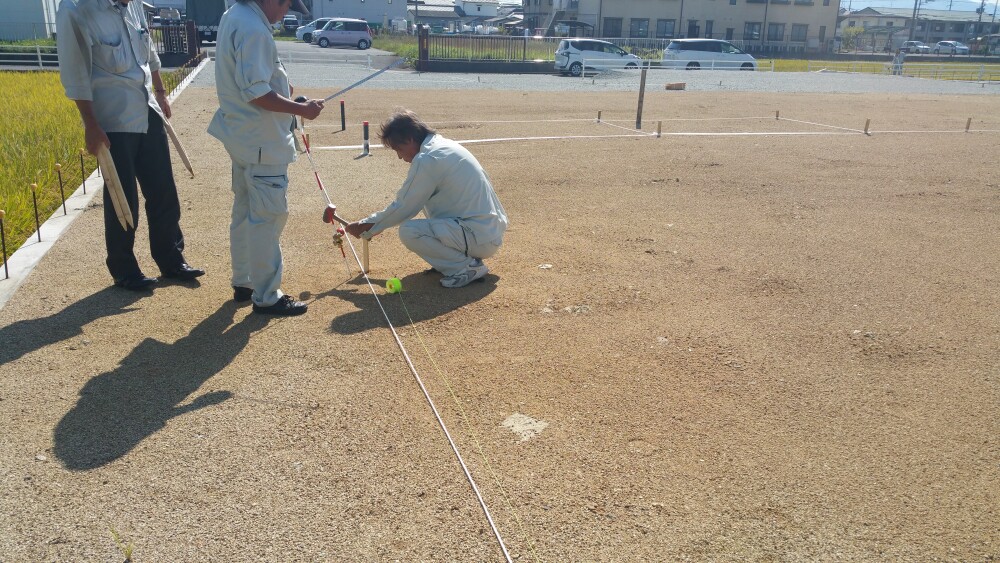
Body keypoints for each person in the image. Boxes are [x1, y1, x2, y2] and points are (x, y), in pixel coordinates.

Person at [56, 0, 204, 291]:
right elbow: (75, 73)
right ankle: (124, 269)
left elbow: (147, 51)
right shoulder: (76, 8)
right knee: (122, 198)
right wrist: (90, 124)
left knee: (163, 190)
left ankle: (170, 258)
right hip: (112, 119)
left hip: (146, 108)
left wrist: (160, 91)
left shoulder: (133, 4)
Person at [208, 0, 324, 316]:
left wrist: (289, 98)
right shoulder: (253, 27)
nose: (286, 12)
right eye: (287, 4)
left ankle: (244, 281)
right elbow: (257, 92)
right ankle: (267, 295)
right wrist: (302, 109)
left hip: (243, 136)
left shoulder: (236, 15)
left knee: (245, 211)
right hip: (261, 142)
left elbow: (261, 82)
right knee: (267, 217)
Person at [345, 110, 508, 288]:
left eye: (398, 149)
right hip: (487, 232)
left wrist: (366, 226)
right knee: (427, 213)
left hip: (479, 236)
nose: (400, 156)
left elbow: (404, 206)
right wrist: (375, 226)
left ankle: (465, 267)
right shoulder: (442, 145)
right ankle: (454, 260)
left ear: (409, 140)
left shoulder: (427, 159)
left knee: (409, 231)